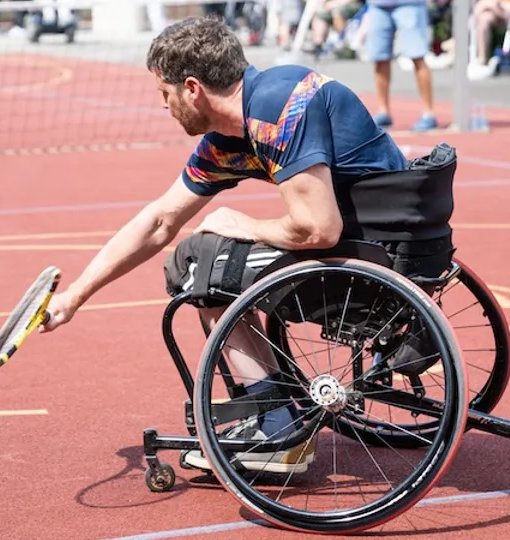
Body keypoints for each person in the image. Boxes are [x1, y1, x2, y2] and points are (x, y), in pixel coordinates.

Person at [39, 16, 455, 474]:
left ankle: (276, 423)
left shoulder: (276, 110)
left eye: (164, 93)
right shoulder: (236, 133)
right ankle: (274, 407)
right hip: (384, 239)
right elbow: (159, 220)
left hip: (370, 256)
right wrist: (76, 295)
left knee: (198, 266)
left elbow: (319, 230)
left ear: (192, 88)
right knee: (199, 249)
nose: (164, 106)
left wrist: (245, 223)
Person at [362, 0, 438, 130]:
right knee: (379, 58)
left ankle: (428, 112)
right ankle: (383, 111)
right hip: (378, 5)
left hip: (410, 4)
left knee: (417, 55)